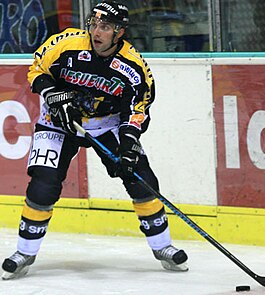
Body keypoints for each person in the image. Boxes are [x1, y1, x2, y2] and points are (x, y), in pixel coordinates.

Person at [1, 1, 188, 280]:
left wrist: (128, 146)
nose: (96, 32)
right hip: (59, 122)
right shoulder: (67, 44)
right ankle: (25, 252)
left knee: (140, 177)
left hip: (107, 125)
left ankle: (163, 247)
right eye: (94, 24)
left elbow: (137, 110)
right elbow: (38, 68)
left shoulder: (133, 67)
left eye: (105, 27)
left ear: (120, 32)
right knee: (44, 183)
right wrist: (53, 94)